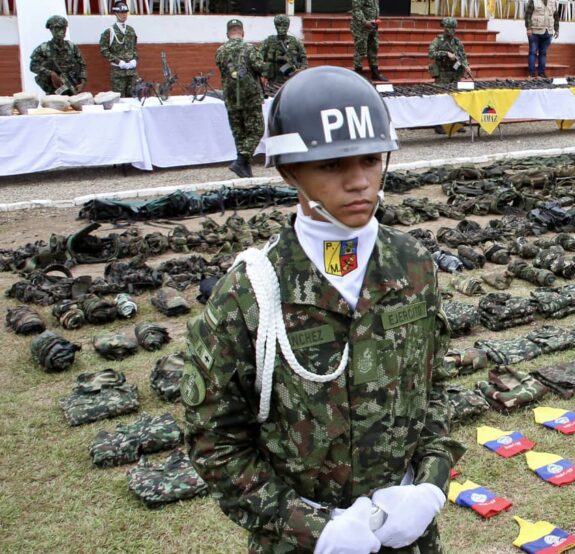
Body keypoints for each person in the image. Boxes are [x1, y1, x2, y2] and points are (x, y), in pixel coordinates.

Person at [183, 65, 465, 554]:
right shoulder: (250, 292)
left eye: (372, 160)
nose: (360, 182)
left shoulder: (414, 266)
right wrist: (314, 529)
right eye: (333, 165)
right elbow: (216, 441)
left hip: (408, 536)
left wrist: (431, 485)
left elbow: (435, 388)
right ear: (290, 170)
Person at [216, 19, 264, 179]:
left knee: (240, 132)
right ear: (242, 33)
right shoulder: (250, 48)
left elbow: (223, 70)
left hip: (231, 98)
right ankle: (242, 160)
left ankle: (244, 167)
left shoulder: (220, 51)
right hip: (250, 97)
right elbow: (260, 68)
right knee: (256, 130)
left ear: (227, 34)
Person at [30, 15, 86, 96]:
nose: (62, 31)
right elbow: (33, 66)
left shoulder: (72, 47)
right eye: (58, 28)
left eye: (64, 28)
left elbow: (82, 65)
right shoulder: (44, 48)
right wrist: (51, 74)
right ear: (51, 30)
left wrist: (82, 82)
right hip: (53, 90)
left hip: (73, 85)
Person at [261, 14, 308, 95]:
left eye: (284, 25)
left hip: (290, 82)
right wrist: (262, 75)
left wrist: (299, 70)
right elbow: (258, 60)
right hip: (272, 83)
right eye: (279, 25)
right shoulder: (268, 41)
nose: (281, 28)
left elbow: (304, 61)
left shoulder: (295, 42)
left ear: (288, 26)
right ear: (275, 26)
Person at [98, 1, 138, 97]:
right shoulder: (109, 31)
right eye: (121, 12)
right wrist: (118, 61)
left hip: (132, 72)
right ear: (116, 13)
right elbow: (104, 50)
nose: (123, 15)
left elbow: (134, 47)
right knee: (120, 100)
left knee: (134, 98)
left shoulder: (131, 30)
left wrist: (134, 59)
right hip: (118, 73)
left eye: (125, 12)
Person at [351, 0, 387, 81]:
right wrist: (364, 22)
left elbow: (375, 8)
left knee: (374, 48)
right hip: (361, 27)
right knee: (360, 49)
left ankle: (375, 73)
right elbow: (356, 9)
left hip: (373, 26)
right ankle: (358, 73)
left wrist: (376, 20)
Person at [524, 0, 559, 78]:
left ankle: (541, 73)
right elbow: (528, 15)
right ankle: (532, 73)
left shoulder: (553, 2)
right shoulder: (533, 1)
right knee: (533, 52)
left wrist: (556, 30)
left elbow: (556, 16)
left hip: (548, 32)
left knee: (543, 53)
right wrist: (528, 28)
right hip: (534, 31)